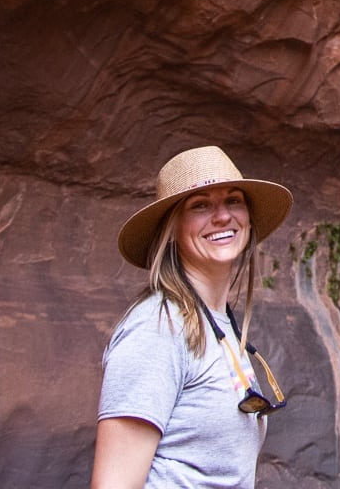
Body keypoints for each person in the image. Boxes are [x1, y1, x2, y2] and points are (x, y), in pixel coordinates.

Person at [92, 146, 295, 489]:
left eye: (233, 200)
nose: (222, 216)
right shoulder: (158, 327)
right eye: (200, 205)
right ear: (171, 229)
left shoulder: (219, 322)